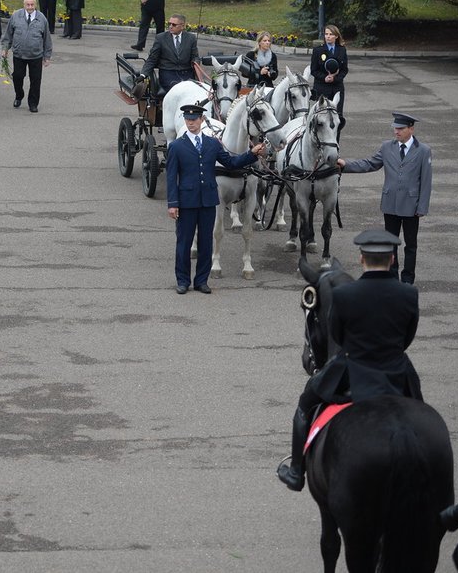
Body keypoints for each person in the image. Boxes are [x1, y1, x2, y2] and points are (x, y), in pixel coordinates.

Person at [275, 229, 422, 492]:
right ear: (391, 260)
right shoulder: (408, 294)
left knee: (305, 404)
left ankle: (297, 471)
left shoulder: (345, 296)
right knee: (422, 416)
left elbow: (338, 335)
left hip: (353, 370)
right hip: (396, 370)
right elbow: (406, 338)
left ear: (362, 259)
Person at [166, 104, 263, 294]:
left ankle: (202, 280)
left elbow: (230, 163)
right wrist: (172, 204)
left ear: (202, 120)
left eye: (194, 120)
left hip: (208, 201)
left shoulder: (212, 144)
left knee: (205, 242)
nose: (191, 123)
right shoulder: (177, 147)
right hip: (186, 201)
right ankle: (183, 280)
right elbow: (171, 177)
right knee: (184, 243)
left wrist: (251, 155)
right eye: (188, 120)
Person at [337, 112, 432, 284]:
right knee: (391, 243)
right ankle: (392, 278)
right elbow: (370, 163)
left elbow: (426, 181)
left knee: (410, 245)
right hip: (390, 204)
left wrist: (422, 207)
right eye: (395, 128)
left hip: (412, 206)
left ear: (411, 128)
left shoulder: (423, 151)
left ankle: (408, 280)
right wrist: (346, 165)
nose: (396, 132)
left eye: (400, 129)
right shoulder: (387, 147)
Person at [0, 0, 53, 113]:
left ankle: (33, 103)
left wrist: (47, 56)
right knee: (17, 77)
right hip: (19, 54)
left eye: (32, 5)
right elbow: (8, 34)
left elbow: (47, 39)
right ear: (24, 5)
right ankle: (19, 95)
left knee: (35, 80)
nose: (30, 7)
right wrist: (5, 48)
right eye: (27, 5)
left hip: (36, 56)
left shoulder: (42, 19)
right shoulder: (16, 16)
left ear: (35, 5)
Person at [139, 14, 199, 95]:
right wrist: (143, 74)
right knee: (178, 91)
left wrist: (196, 63)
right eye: (169, 24)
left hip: (186, 73)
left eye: (174, 25)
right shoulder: (161, 38)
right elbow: (152, 59)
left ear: (182, 26)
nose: (170, 26)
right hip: (168, 73)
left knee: (194, 91)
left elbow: (195, 57)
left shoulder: (191, 38)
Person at [310, 24, 348, 119]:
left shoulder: (342, 50)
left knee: (337, 117)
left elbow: (344, 70)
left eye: (331, 34)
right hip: (322, 88)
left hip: (337, 88)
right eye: (326, 34)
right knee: (321, 118)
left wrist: (335, 78)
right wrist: (324, 78)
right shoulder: (318, 50)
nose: (328, 36)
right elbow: (313, 70)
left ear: (336, 36)